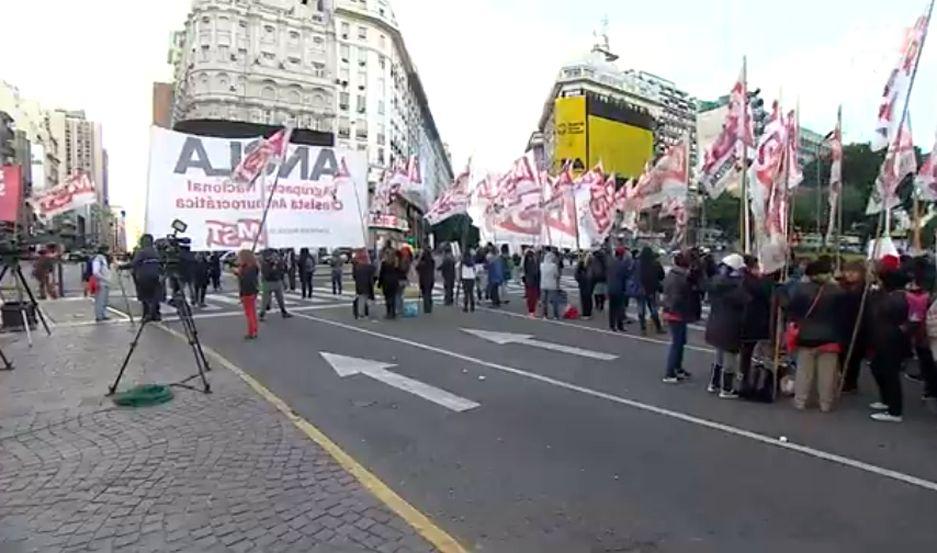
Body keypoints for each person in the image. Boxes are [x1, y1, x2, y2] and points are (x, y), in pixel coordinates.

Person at [788, 259, 844, 412]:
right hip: (830, 337)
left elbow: (791, 310)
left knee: (804, 372)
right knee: (827, 374)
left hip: (806, 335)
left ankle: (801, 400)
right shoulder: (838, 291)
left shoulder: (800, 289)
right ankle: (825, 403)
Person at [867, 256, 911, 422]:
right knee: (878, 367)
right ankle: (886, 400)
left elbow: (884, 313)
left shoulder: (896, 298)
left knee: (890, 373)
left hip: (891, 339)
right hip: (884, 337)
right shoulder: (891, 296)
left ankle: (895, 411)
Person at [705, 254, 749, 398]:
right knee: (730, 356)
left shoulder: (716, 282)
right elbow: (746, 300)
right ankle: (727, 388)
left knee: (718, 355)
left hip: (715, 322)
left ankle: (714, 383)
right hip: (731, 325)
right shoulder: (736, 287)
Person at [661, 252, 701, 382]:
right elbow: (680, 295)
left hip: (672, 310)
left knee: (680, 341)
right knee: (677, 343)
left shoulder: (672, 274)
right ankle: (670, 372)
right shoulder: (681, 277)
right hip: (676, 312)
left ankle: (677, 368)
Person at [738, 255, 773, 383]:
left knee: (746, 350)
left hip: (746, 319)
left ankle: (743, 373)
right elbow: (764, 294)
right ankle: (747, 375)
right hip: (752, 320)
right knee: (750, 349)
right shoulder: (753, 282)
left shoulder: (741, 279)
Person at [839, 260, 868, 393]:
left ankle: (851, 383)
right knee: (842, 356)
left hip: (859, 327)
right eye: (847, 271)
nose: (849, 274)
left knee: (854, 358)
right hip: (843, 326)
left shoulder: (865, 290)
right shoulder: (842, 287)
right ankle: (843, 379)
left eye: (854, 272)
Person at [132, 234, 162, 322]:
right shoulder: (156, 251)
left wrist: (122, 267)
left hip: (144, 277)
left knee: (145, 297)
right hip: (156, 276)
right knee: (155, 296)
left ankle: (147, 315)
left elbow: (134, 263)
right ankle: (156, 314)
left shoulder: (142, 252)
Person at [636, 247, 665, 334]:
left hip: (640, 289)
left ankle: (643, 327)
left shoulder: (637, 263)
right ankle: (658, 327)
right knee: (653, 308)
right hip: (651, 289)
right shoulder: (655, 264)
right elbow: (661, 275)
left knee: (641, 308)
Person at [259, 249, 292, 320]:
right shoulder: (265, 263)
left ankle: (283, 311)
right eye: (273, 255)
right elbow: (266, 274)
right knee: (265, 299)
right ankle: (262, 314)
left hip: (276, 281)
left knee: (280, 298)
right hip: (268, 282)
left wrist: (283, 282)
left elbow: (282, 271)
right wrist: (273, 266)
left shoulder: (278, 262)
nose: (275, 256)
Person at [236, 249, 260, 339]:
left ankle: (251, 331)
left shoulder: (246, 269)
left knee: (249, 313)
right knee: (252, 312)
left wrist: (239, 274)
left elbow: (244, 281)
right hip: (253, 291)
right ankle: (254, 330)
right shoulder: (254, 267)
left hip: (247, 292)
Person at [606, 247, 629, 331]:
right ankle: (620, 325)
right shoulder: (623, 264)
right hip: (620, 288)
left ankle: (612, 325)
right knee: (620, 307)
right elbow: (626, 276)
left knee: (612, 308)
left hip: (611, 287)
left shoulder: (610, 263)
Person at [352, 249, 376, 320]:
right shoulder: (368, 266)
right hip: (367, 284)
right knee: (364, 299)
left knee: (361, 298)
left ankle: (361, 313)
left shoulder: (357, 266)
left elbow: (354, 276)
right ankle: (362, 314)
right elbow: (374, 272)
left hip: (359, 284)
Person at [378, 250, 402, 319]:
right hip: (394, 281)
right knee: (393, 297)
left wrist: (379, 284)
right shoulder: (395, 263)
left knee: (387, 298)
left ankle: (389, 312)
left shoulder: (384, 263)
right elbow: (399, 272)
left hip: (386, 281)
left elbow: (381, 274)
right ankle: (393, 312)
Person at [91, 246, 111, 322]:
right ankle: (99, 316)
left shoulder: (104, 259)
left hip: (105, 283)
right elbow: (95, 272)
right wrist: (104, 278)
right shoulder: (98, 259)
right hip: (100, 283)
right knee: (100, 300)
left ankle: (103, 314)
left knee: (104, 300)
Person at [540, 250, 562, 319]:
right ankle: (555, 315)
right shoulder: (554, 266)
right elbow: (557, 275)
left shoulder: (541, 265)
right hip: (552, 285)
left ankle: (544, 315)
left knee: (544, 301)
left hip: (543, 284)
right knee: (554, 301)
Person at [416, 249, 436, 314]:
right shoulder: (432, 261)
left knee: (425, 294)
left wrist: (419, 258)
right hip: (431, 279)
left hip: (423, 280)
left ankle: (426, 308)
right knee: (429, 293)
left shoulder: (422, 263)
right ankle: (429, 307)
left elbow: (417, 268)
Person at [522, 249, 541, 318]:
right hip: (534, 281)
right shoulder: (534, 262)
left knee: (531, 297)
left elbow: (525, 271)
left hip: (529, 281)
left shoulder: (527, 262)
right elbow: (536, 272)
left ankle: (531, 311)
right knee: (534, 296)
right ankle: (533, 311)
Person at [575, 253, 594, 320]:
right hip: (589, 282)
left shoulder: (582, 263)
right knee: (588, 298)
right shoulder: (591, 263)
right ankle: (588, 313)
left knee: (584, 299)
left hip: (584, 282)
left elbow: (577, 274)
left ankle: (586, 314)